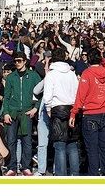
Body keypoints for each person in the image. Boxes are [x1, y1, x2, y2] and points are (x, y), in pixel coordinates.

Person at [69, 48, 105, 176]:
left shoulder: (87, 73)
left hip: (90, 114)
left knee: (92, 148)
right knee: (104, 146)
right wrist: (102, 56)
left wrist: (73, 113)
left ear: (88, 59)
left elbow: (80, 96)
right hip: (103, 113)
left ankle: (93, 174)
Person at [1, 51, 41, 176]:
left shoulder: (33, 76)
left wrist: (36, 108)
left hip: (27, 112)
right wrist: (6, 112)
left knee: (27, 141)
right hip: (12, 111)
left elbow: (42, 93)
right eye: (15, 61)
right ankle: (11, 167)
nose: (17, 63)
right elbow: (6, 97)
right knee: (11, 140)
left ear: (25, 61)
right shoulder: (11, 77)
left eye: (19, 61)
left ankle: (26, 167)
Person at [43, 47, 80, 176]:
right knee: (72, 144)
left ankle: (61, 176)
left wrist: (48, 109)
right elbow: (77, 92)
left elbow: (47, 95)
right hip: (71, 108)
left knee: (59, 146)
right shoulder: (71, 73)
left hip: (57, 108)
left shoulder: (51, 74)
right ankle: (75, 175)